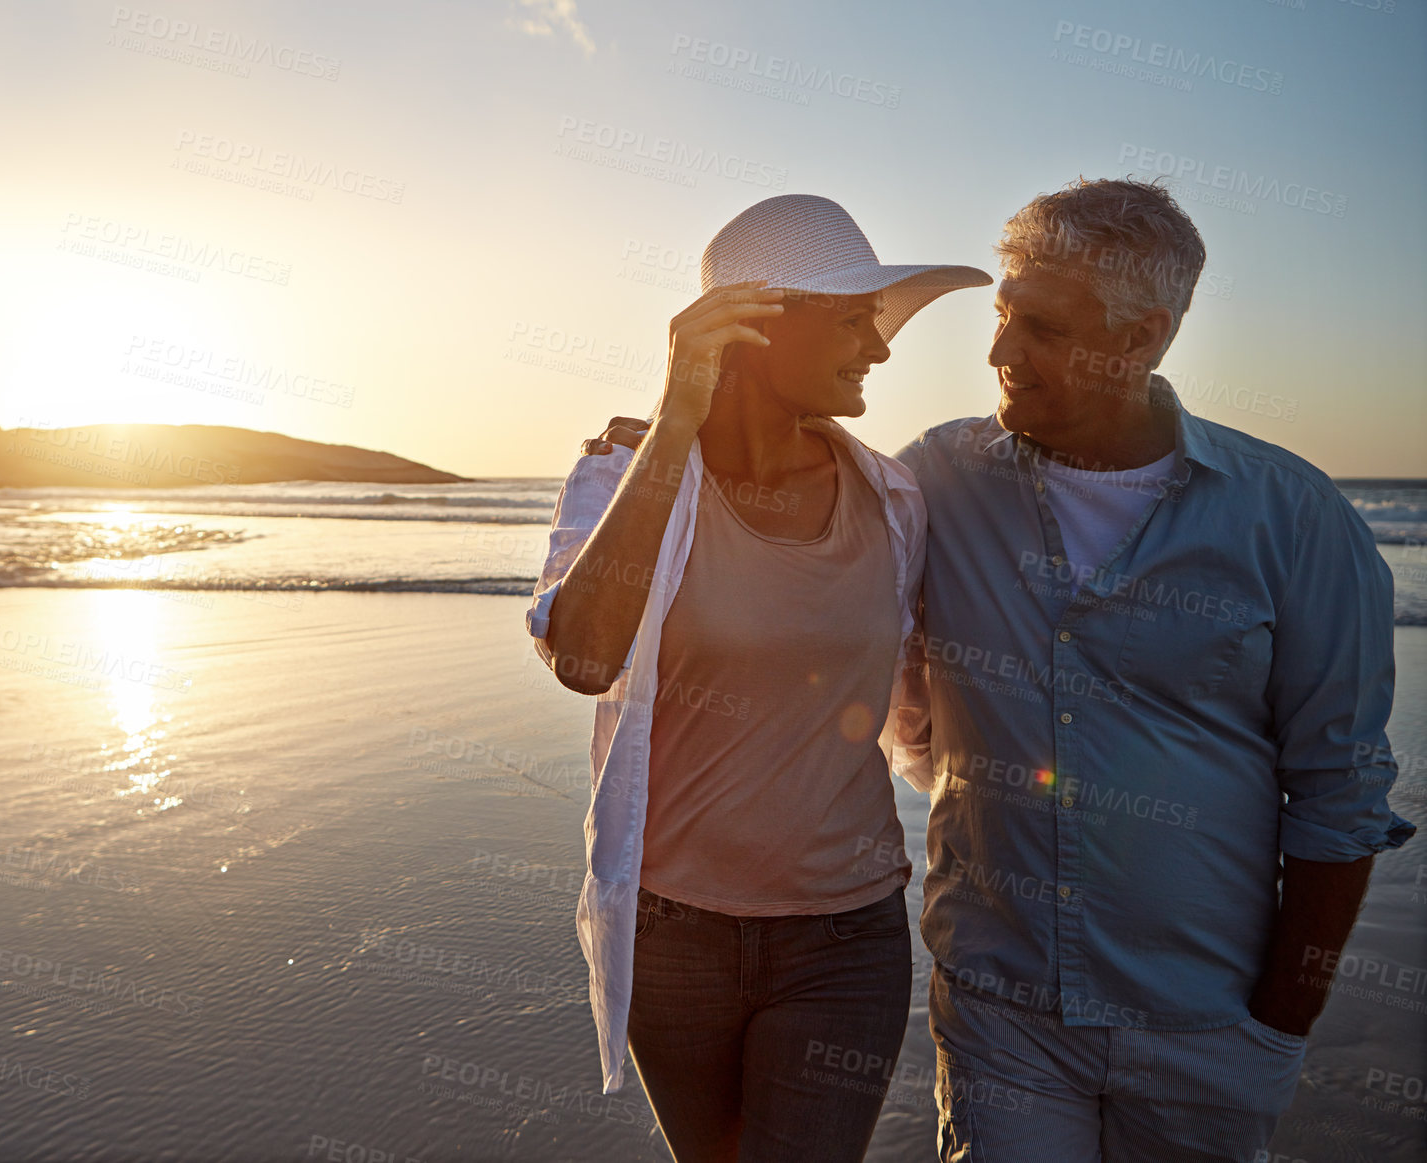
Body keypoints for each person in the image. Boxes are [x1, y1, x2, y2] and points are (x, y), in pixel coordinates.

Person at [586, 178, 1417, 1162]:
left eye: (1042, 329)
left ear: (1143, 335)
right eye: (1002, 316)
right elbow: (796, 519)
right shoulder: (935, 478)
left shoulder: (1292, 518)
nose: (997, 353)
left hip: (1205, 1021)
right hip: (998, 1013)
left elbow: (1337, 789)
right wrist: (662, 449)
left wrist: (1275, 1022)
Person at [524, 193, 989, 1160]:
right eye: (855, 318)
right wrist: (674, 422)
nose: (881, 347)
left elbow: (927, 689)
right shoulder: (623, 476)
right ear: (763, 322)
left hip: (844, 934)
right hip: (674, 932)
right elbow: (584, 656)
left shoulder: (893, 497)